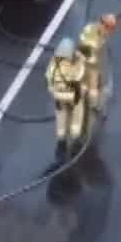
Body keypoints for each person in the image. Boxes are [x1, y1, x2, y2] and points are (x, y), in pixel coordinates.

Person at [45, 36, 89, 164]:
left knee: (61, 117)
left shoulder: (52, 66)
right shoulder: (71, 67)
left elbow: (49, 82)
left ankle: (61, 141)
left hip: (57, 97)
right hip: (73, 97)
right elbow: (79, 74)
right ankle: (76, 139)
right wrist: (81, 60)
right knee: (77, 115)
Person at [77, 13, 117, 122]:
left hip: (89, 65)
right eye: (109, 28)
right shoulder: (97, 40)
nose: (110, 32)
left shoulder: (93, 30)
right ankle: (96, 107)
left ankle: (94, 105)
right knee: (102, 88)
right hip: (91, 66)